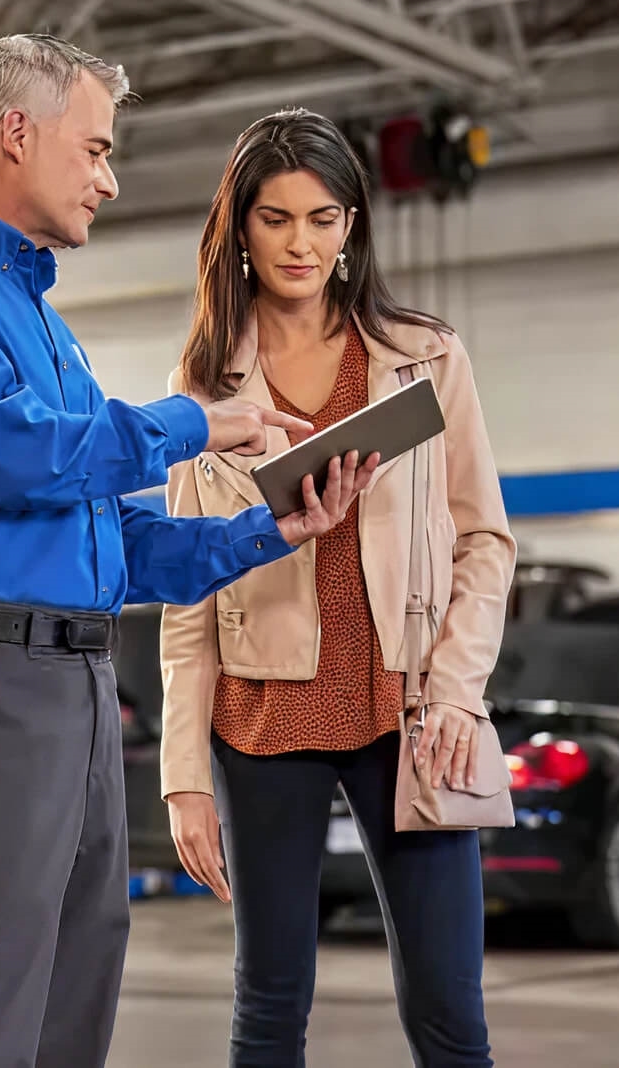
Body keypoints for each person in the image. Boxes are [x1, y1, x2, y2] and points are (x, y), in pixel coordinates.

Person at [0, 37, 378, 1068]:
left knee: (67, 1010)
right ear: (16, 135)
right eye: (94, 149)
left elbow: (100, 535)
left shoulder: (45, 326)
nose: (108, 179)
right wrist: (193, 423)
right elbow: (2, 453)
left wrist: (270, 529)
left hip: (72, 689)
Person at [159, 108, 517, 1068]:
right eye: (276, 219)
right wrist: (185, 776)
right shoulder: (200, 394)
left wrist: (456, 688)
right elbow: (187, 603)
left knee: (450, 1011)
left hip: (408, 714)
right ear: (239, 229)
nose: (300, 243)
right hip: (261, 723)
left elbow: (485, 540)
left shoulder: (427, 358)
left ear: (352, 224)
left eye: (322, 218)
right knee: (269, 1008)